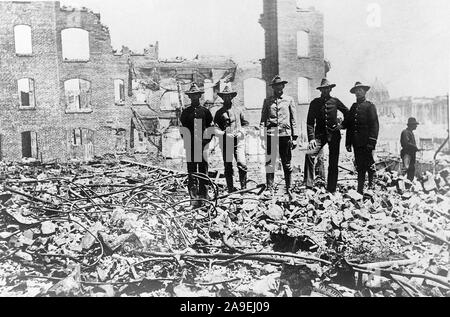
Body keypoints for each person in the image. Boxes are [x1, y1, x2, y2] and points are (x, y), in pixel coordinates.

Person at [304, 79, 349, 193]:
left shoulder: (335, 101)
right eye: (323, 89)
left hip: (334, 135)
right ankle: (309, 186)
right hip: (319, 136)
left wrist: (342, 125)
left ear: (330, 89)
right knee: (309, 155)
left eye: (327, 88)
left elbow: (348, 113)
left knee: (333, 162)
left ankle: (331, 189)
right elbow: (310, 122)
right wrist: (311, 138)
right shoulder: (315, 103)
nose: (325, 91)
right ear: (320, 90)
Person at [260, 75, 298, 200]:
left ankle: (289, 188)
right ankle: (269, 188)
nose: (278, 88)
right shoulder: (267, 101)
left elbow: (293, 119)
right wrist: (262, 135)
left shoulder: (289, 100)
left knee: (286, 163)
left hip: (285, 135)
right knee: (270, 162)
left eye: (280, 85)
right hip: (271, 134)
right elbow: (263, 119)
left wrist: (295, 137)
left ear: (283, 86)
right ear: (273, 88)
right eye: (276, 86)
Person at [180, 83, 213, 207]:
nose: (194, 98)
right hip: (190, 147)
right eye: (192, 96)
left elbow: (210, 127)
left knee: (203, 172)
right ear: (189, 97)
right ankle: (194, 200)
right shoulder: (185, 112)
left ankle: (204, 198)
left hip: (203, 146)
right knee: (192, 172)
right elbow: (183, 129)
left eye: (196, 95)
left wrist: (206, 141)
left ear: (199, 96)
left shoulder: (205, 112)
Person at [344, 82, 379, 195]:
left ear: (364, 92)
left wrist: (371, 142)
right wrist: (348, 142)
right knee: (359, 166)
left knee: (369, 164)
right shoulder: (353, 107)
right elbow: (349, 126)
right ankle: (360, 189)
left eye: (360, 90)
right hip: (356, 142)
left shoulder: (370, 106)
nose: (358, 92)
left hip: (367, 142)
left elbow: (374, 125)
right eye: (356, 91)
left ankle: (370, 187)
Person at [214, 85, 249, 193]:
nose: (227, 98)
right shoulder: (219, 113)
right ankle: (230, 190)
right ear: (222, 98)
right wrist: (224, 134)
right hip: (226, 143)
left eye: (229, 96)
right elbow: (215, 127)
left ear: (232, 97)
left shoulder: (238, 110)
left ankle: (243, 189)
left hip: (238, 142)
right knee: (228, 166)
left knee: (242, 164)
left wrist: (241, 132)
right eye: (225, 97)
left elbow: (246, 124)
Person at [400, 117, 421, 186]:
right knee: (405, 169)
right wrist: (415, 148)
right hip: (407, 154)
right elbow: (406, 143)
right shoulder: (405, 132)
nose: (416, 126)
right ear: (411, 125)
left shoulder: (410, 132)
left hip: (411, 154)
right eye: (415, 124)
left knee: (411, 170)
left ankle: (408, 186)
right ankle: (399, 185)